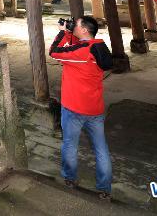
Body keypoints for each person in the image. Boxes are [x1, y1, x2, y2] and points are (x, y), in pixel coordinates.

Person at [49, 15, 114, 200]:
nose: (73, 26)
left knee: (70, 145)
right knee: (101, 149)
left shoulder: (82, 52)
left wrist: (63, 32)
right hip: (95, 109)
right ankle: (104, 188)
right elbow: (74, 48)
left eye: (76, 25)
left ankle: (70, 179)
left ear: (85, 30)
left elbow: (55, 52)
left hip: (74, 108)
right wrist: (70, 32)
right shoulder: (99, 47)